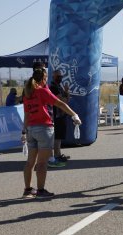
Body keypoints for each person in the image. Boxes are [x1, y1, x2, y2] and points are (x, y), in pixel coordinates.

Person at [21, 68, 81, 199]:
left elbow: (26, 115)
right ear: (44, 78)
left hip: (31, 129)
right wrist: (74, 115)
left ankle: (28, 189)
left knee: (30, 162)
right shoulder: (43, 91)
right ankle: (41, 191)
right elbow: (60, 103)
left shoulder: (27, 93)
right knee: (42, 163)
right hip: (44, 129)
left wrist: (23, 131)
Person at [48, 70, 70, 166]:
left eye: (61, 76)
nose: (60, 78)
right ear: (53, 76)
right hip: (56, 115)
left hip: (61, 114)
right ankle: (56, 156)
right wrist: (66, 93)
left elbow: (66, 99)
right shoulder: (53, 87)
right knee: (57, 137)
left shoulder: (59, 87)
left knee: (60, 136)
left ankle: (58, 154)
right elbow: (63, 100)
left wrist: (66, 92)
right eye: (58, 76)